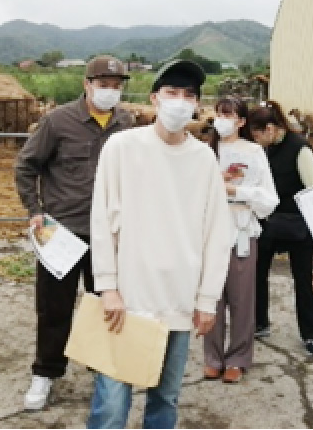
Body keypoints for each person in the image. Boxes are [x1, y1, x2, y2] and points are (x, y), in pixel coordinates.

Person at [87, 59, 234, 429]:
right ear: (154, 99)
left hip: (180, 300)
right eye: (172, 93)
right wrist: (107, 286)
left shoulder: (203, 158)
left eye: (189, 95)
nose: (180, 102)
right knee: (111, 401)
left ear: (197, 105)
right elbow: (103, 220)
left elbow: (217, 232)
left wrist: (206, 300)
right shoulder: (122, 147)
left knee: (165, 398)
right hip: (129, 296)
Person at [14, 55, 133, 410]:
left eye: (116, 86)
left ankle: (103, 370)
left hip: (108, 235)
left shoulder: (125, 123)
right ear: (87, 85)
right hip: (63, 231)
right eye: (103, 85)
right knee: (54, 307)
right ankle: (46, 372)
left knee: (105, 304)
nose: (110, 91)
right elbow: (26, 166)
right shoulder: (58, 121)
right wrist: (35, 211)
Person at [202, 96, 278, 383]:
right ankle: (212, 356)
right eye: (219, 113)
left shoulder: (254, 152)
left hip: (241, 231)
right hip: (208, 232)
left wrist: (237, 192)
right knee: (211, 297)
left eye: (229, 114)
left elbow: (269, 198)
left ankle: (238, 357)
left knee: (242, 297)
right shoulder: (204, 151)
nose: (222, 119)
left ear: (242, 121)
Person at [248, 100, 313, 357]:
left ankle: (311, 334)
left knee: (303, 278)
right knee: (257, 273)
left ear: (271, 128)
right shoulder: (262, 150)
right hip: (267, 222)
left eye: (257, 133)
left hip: (298, 223)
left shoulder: (300, 149)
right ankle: (259, 322)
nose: (255, 139)